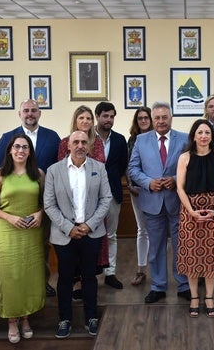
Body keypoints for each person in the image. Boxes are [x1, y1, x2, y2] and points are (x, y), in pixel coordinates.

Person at [44, 131, 112, 338]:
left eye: (84, 142)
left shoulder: (98, 168)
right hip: (64, 234)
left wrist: (89, 225)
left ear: (89, 146)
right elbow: (49, 203)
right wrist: (69, 227)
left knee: (89, 277)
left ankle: (91, 317)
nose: (80, 145)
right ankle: (64, 319)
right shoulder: (54, 170)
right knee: (65, 277)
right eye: (76, 142)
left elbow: (106, 199)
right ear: (68, 146)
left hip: (91, 233)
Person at [0, 98, 61, 298]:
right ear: (19, 114)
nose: (30, 114)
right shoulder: (7, 138)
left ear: (40, 113)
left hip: (42, 204)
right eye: (26, 110)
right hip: (11, 207)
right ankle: (17, 287)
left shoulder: (52, 137)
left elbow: (59, 168)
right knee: (15, 252)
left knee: (42, 245)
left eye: (34, 110)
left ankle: (43, 281)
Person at [0, 134, 46, 344]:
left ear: (30, 151)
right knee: (11, 275)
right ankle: (12, 320)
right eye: (17, 147)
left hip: (32, 230)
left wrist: (40, 214)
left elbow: (47, 201)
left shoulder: (38, 174)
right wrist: (9, 217)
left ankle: (26, 318)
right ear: (10, 150)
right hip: (8, 230)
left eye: (25, 147)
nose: (21, 150)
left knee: (30, 273)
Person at [128, 101, 191, 304]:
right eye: (157, 118)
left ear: (171, 118)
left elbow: (191, 166)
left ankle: (183, 284)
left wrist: (174, 179)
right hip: (152, 201)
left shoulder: (184, 139)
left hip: (177, 201)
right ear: (152, 119)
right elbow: (133, 169)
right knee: (155, 247)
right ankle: (158, 285)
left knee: (181, 245)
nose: (161, 121)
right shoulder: (141, 139)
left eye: (165, 117)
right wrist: (148, 183)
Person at [176, 119, 214, 318]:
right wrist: (190, 211)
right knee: (192, 255)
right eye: (200, 132)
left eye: (207, 132)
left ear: (212, 136)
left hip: (213, 210)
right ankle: (194, 297)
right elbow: (180, 187)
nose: (204, 136)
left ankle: (209, 297)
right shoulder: (185, 157)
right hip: (190, 212)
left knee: (211, 255)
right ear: (194, 136)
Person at [58, 105, 107, 298]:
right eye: (81, 118)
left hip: (93, 202)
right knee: (71, 244)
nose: (85, 121)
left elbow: (99, 166)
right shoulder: (64, 142)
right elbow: (60, 170)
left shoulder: (98, 142)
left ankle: (88, 282)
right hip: (69, 202)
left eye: (88, 118)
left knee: (91, 244)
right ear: (75, 121)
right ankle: (75, 283)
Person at [94, 102, 128, 289]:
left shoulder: (120, 140)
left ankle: (110, 273)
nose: (109, 120)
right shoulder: (88, 137)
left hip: (113, 193)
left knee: (111, 235)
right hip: (91, 196)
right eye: (105, 116)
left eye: (112, 116)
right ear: (97, 116)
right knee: (91, 236)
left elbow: (122, 165)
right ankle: (89, 274)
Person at [126, 107, 153, 286]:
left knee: (160, 232)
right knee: (142, 230)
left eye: (146, 117)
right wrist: (131, 185)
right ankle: (141, 269)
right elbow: (129, 165)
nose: (143, 121)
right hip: (137, 191)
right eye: (140, 118)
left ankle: (159, 271)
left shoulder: (157, 138)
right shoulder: (132, 140)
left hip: (157, 190)